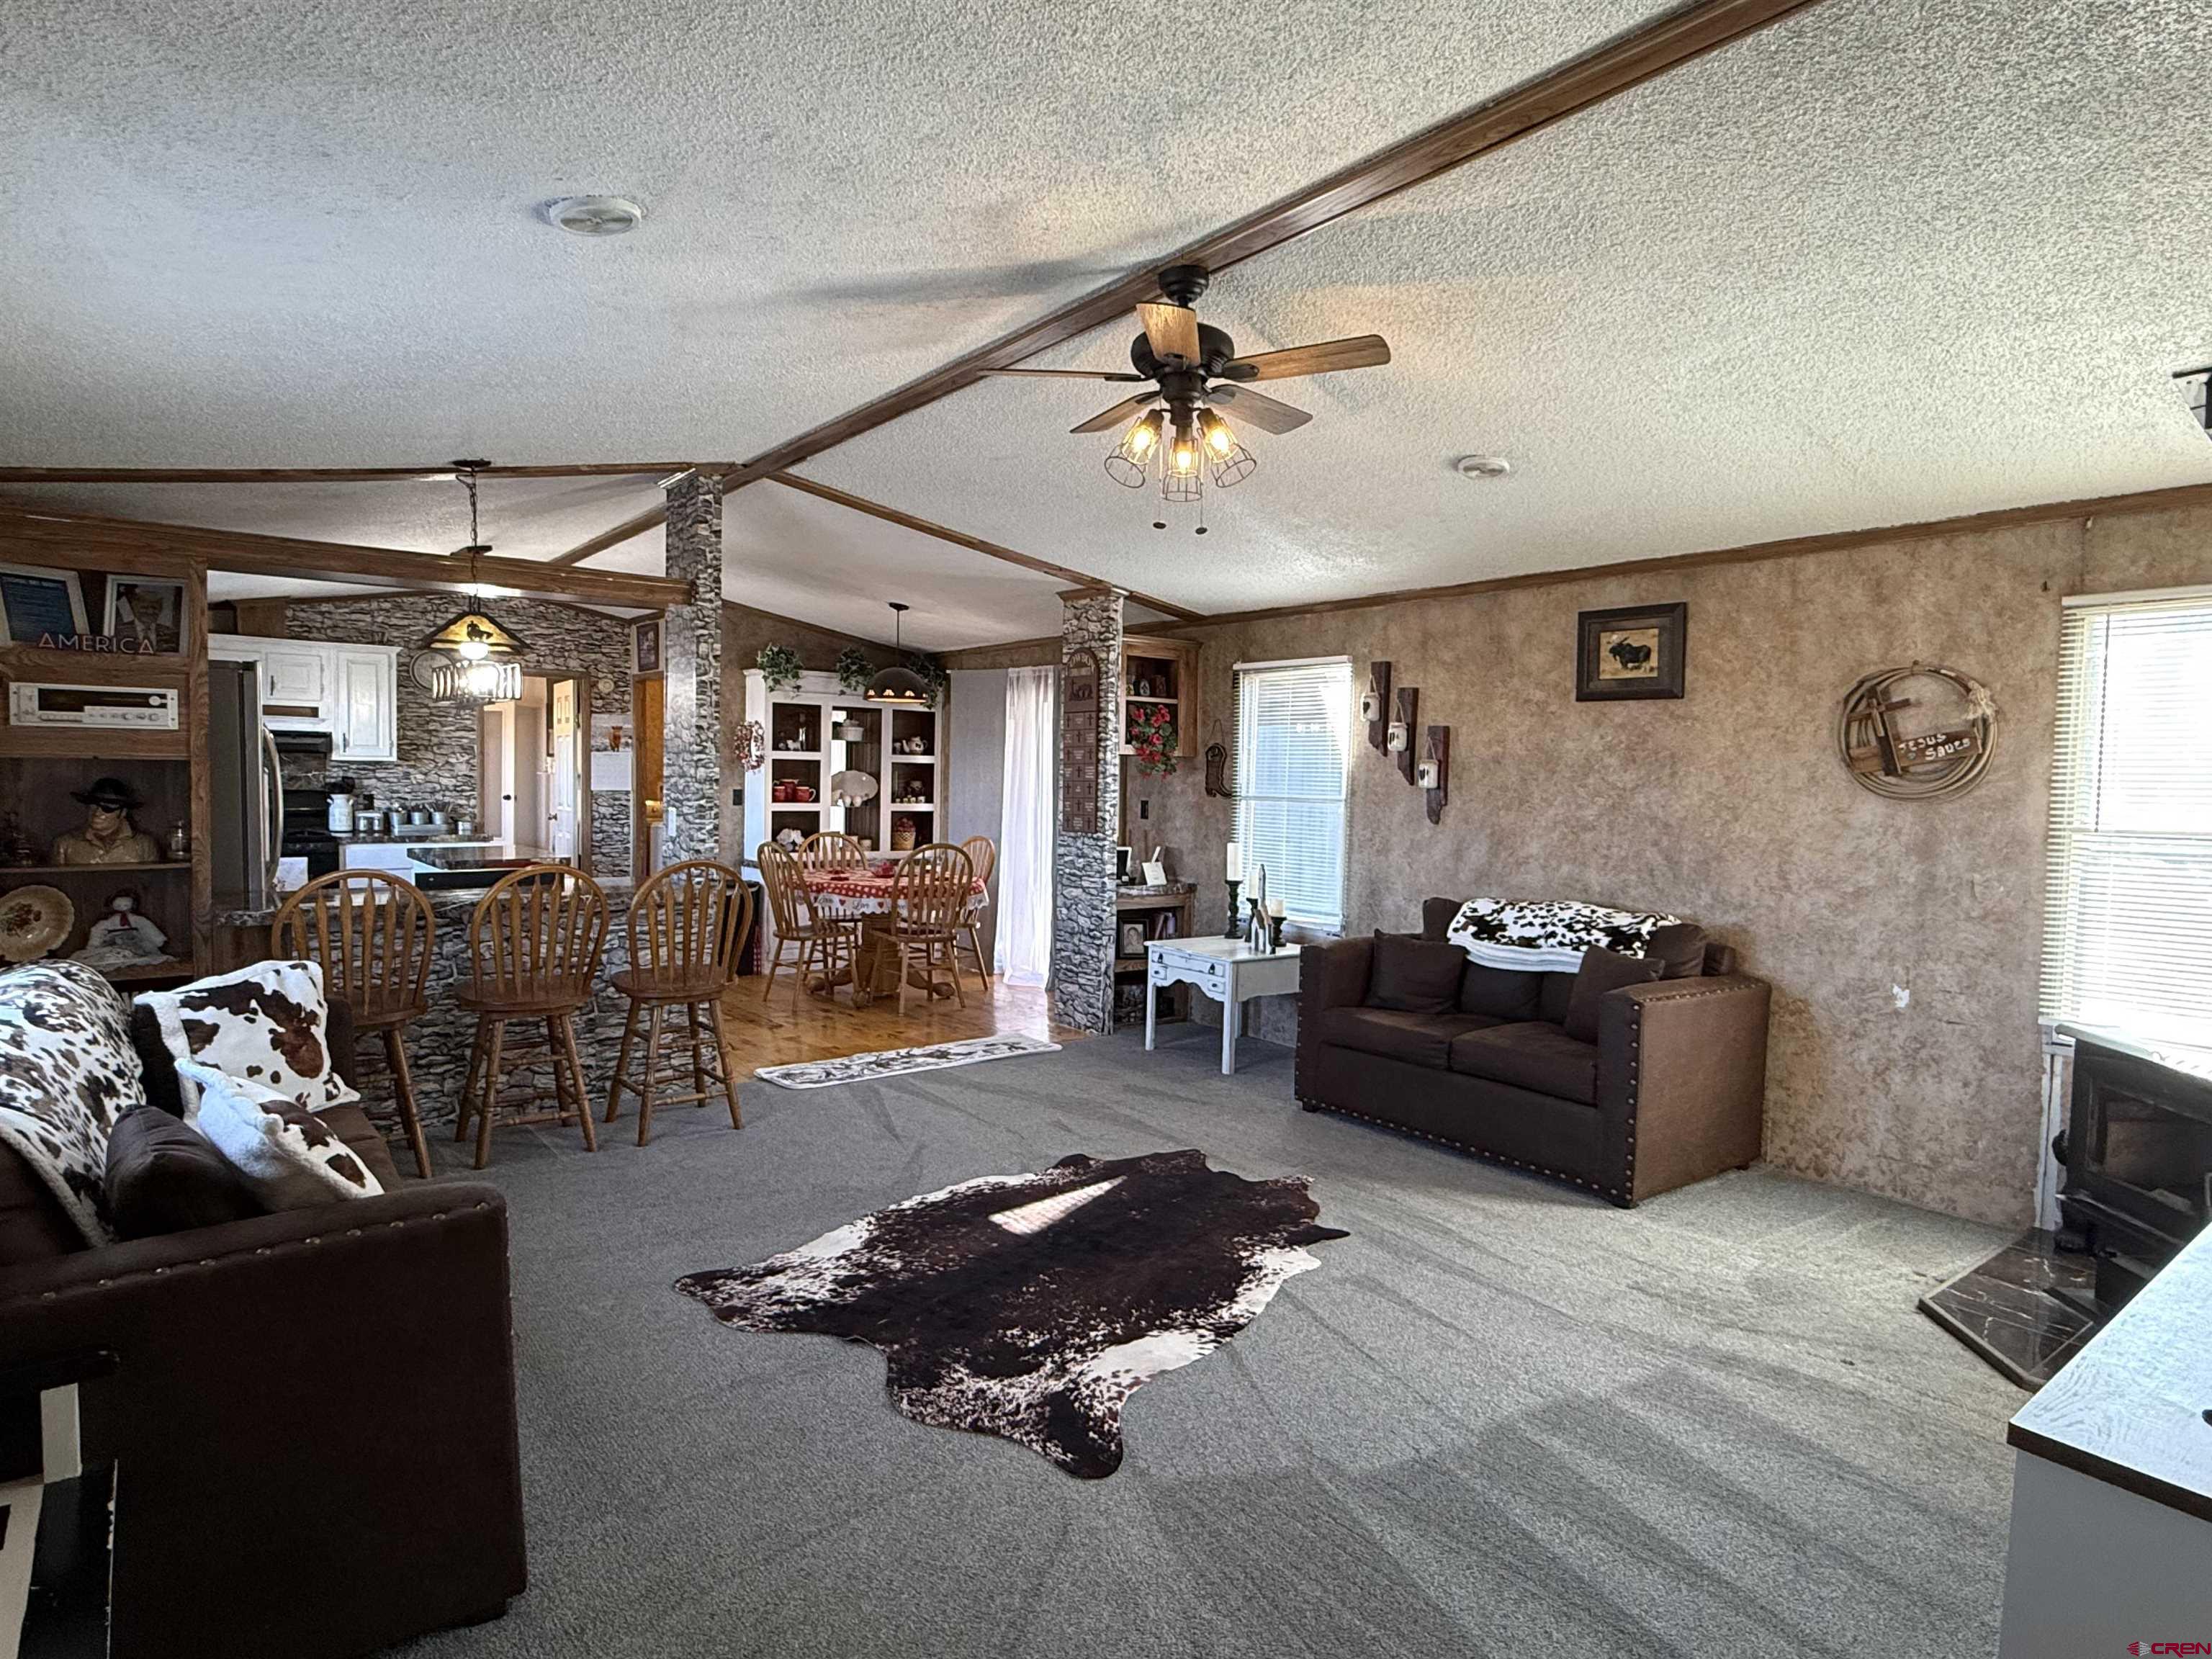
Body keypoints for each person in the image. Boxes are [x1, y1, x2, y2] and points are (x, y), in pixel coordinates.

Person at [53, 777, 162, 866]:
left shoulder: (145, 845)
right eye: (93, 805)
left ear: (123, 812)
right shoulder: (64, 845)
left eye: (107, 808)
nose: (97, 813)